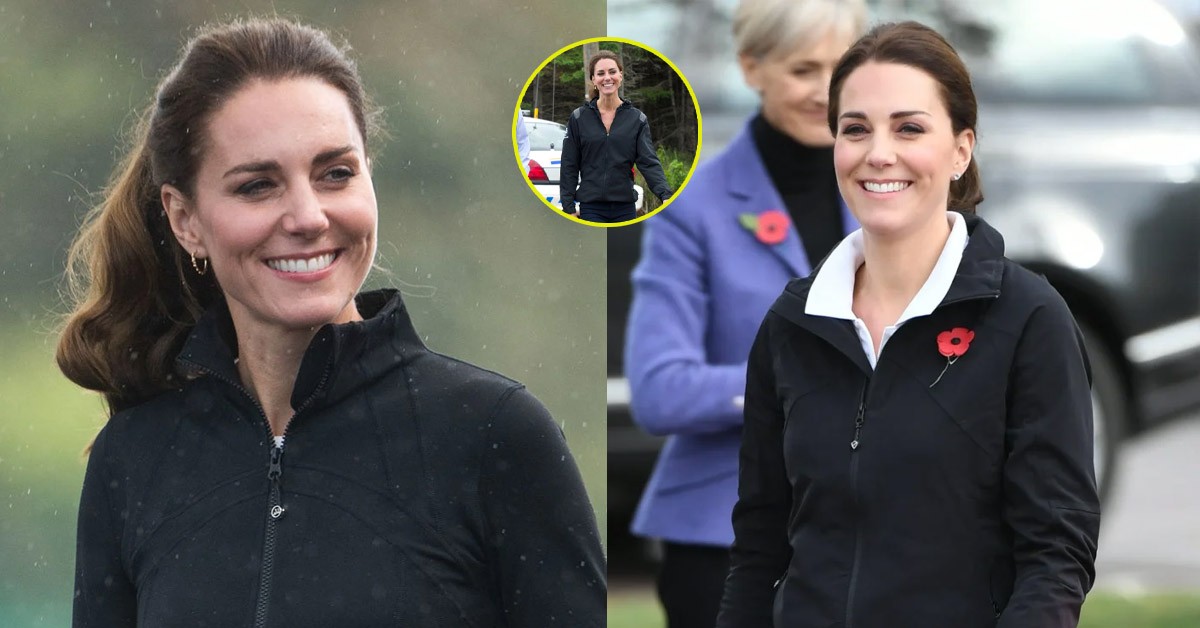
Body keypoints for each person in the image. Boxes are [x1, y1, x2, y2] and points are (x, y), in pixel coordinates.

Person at [58, 18, 605, 627]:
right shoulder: (133, 461)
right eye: (258, 185)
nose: (308, 216)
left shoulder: (494, 435)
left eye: (335, 174)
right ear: (185, 219)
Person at [716, 21, 1100, 627]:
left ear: (960, 150)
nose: (879, 153)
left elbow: (1056, 556)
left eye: (910, 128)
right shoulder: (793, 322)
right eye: (856, 129)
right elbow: (760, 547)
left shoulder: (1028, 318)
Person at [622, 0, 866, 626]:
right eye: (804, 70)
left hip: (872, 529)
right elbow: (659, 392)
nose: (826, 94)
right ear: (751, 68)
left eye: (841, 70)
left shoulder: (893, 193)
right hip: (722, 540)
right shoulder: (689, 208)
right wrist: (806, 382)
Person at [559, 50, 673, 223]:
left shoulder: (637, 119)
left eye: (612, 71)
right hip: (590, 208)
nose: (607, 78)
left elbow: (648, 162)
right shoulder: (578, 118)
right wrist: (568, 207)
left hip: (625, 208)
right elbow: (569, 164)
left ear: (621, 75)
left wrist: (666, 195)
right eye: (600, 73)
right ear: (593, 80)